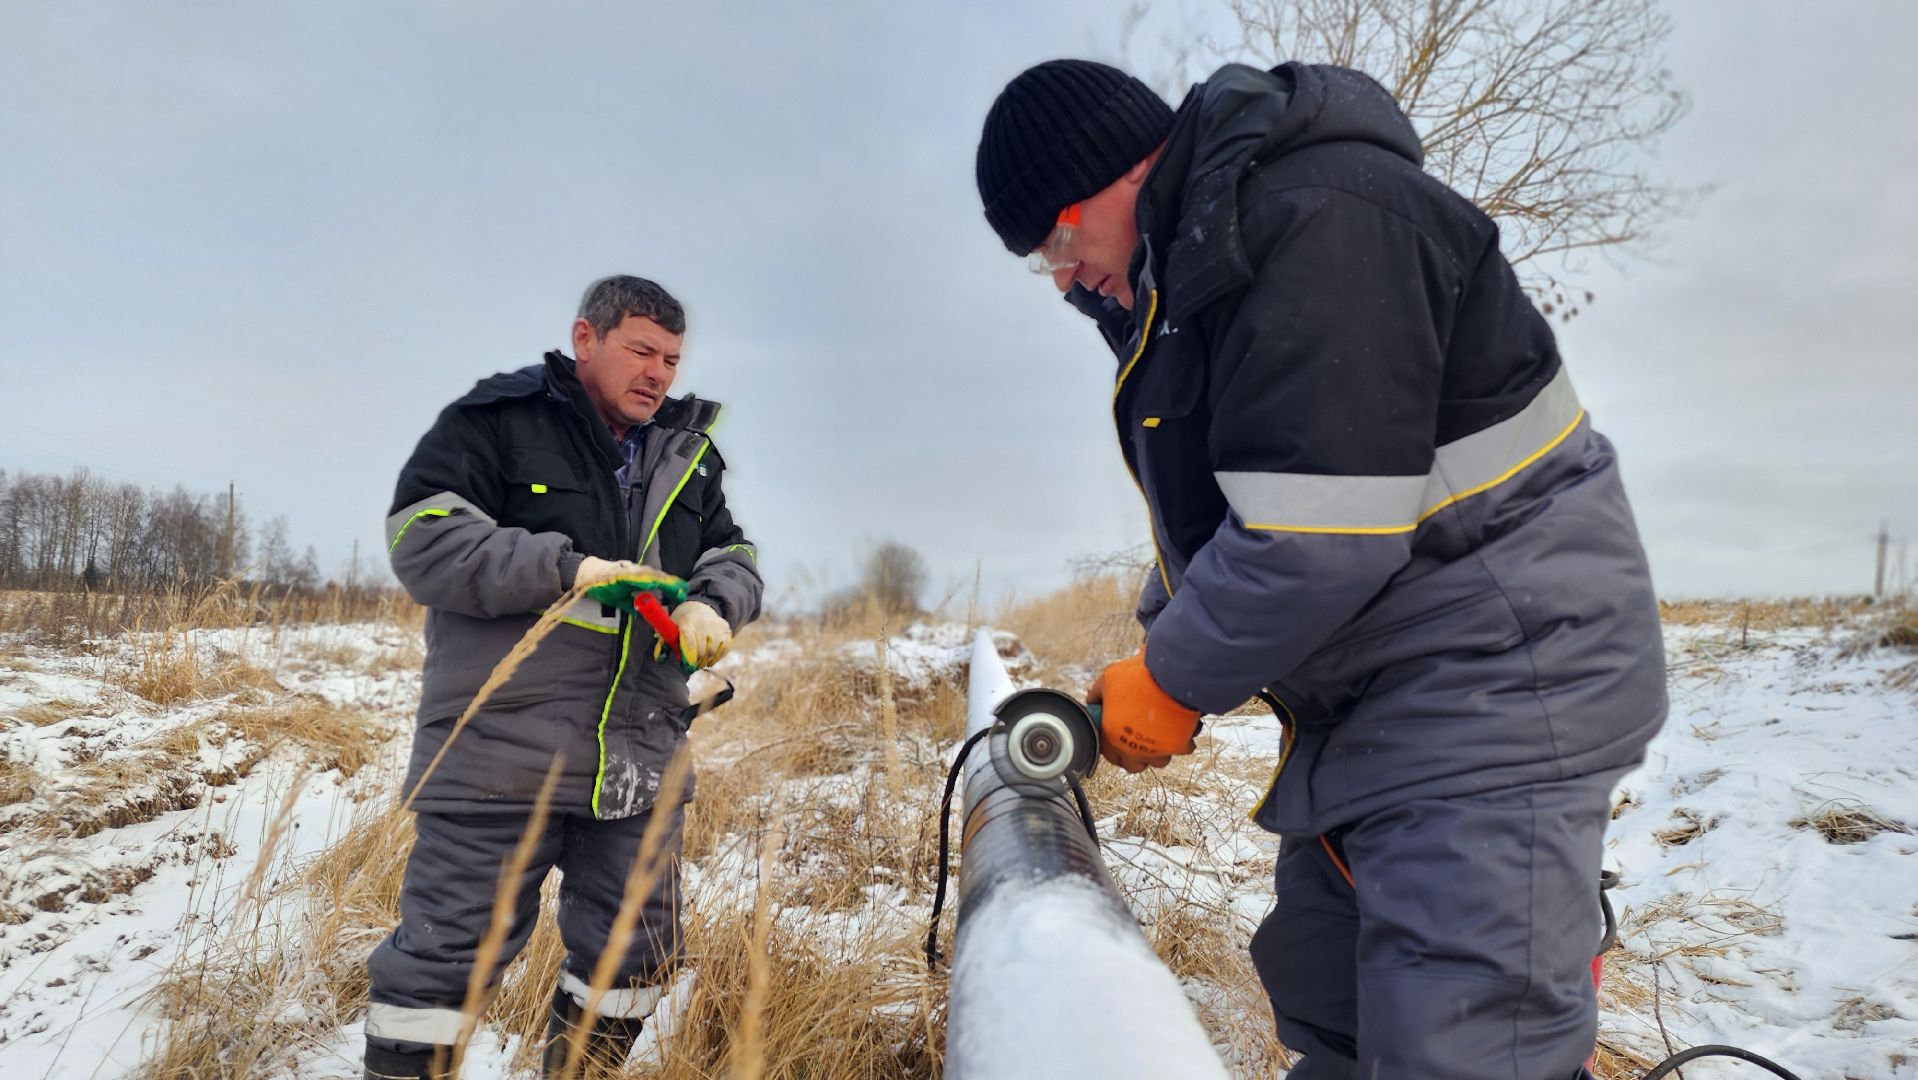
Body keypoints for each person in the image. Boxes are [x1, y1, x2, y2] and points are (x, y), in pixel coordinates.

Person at [976, 60, 1667, 1078]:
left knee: (1461, 1048)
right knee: (1324, 993)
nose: (1065, 275)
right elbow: (1240, 519)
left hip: (1495, 692)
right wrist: (1159, 653)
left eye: (1061, 240)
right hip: (1393, 701)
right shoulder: (1206, 272)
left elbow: (1315, 537)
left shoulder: (1321, 220)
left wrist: (1171, 680)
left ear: (1121, 174)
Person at [366, 275, 761, 1078]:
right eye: (641, 350)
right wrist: (569, 568)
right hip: (498, 755)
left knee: (638, 954)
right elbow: (423, 538)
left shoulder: (687, 453)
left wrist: (713, 603)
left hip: (639, 761)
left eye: (673, 359)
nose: (658, 373)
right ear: (586, 339)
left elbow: (736, 552)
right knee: (445, 966)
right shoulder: (500, 421)